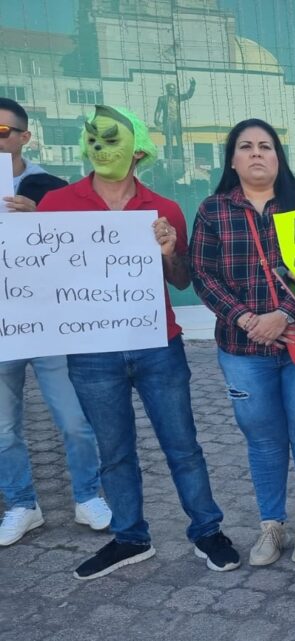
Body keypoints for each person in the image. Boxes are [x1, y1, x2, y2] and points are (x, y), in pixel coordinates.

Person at [38, 105, 238, 580]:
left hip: (157, 346)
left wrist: (169, 253)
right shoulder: (55, 205)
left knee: (183, 445)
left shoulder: (164, 208)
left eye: (111, 139)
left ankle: (206, 529)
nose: (100, 148)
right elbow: (39, 274)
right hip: (91, 351)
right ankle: (129, 537)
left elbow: (184, 280)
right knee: (115, 450)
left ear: (138, 149)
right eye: (93, 139)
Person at [190, 119, 295, 566]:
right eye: (246, 147)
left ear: (279, 156)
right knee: (264, 440)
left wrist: (285, 314)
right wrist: (248, 319)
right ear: (232, 159)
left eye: (266, 146)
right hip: (242, 349)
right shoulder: (213, 210)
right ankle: (271, 525)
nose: (257, 154)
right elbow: (203, 275)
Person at [0, 97, 112, 547]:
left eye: (3, 131)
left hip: (48, 321)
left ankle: (88, 496)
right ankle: (22, 504)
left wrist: (42, 218)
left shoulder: (53, 190)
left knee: (73, 418)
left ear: (25, 137)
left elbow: (81, 252)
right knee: (3, 427)